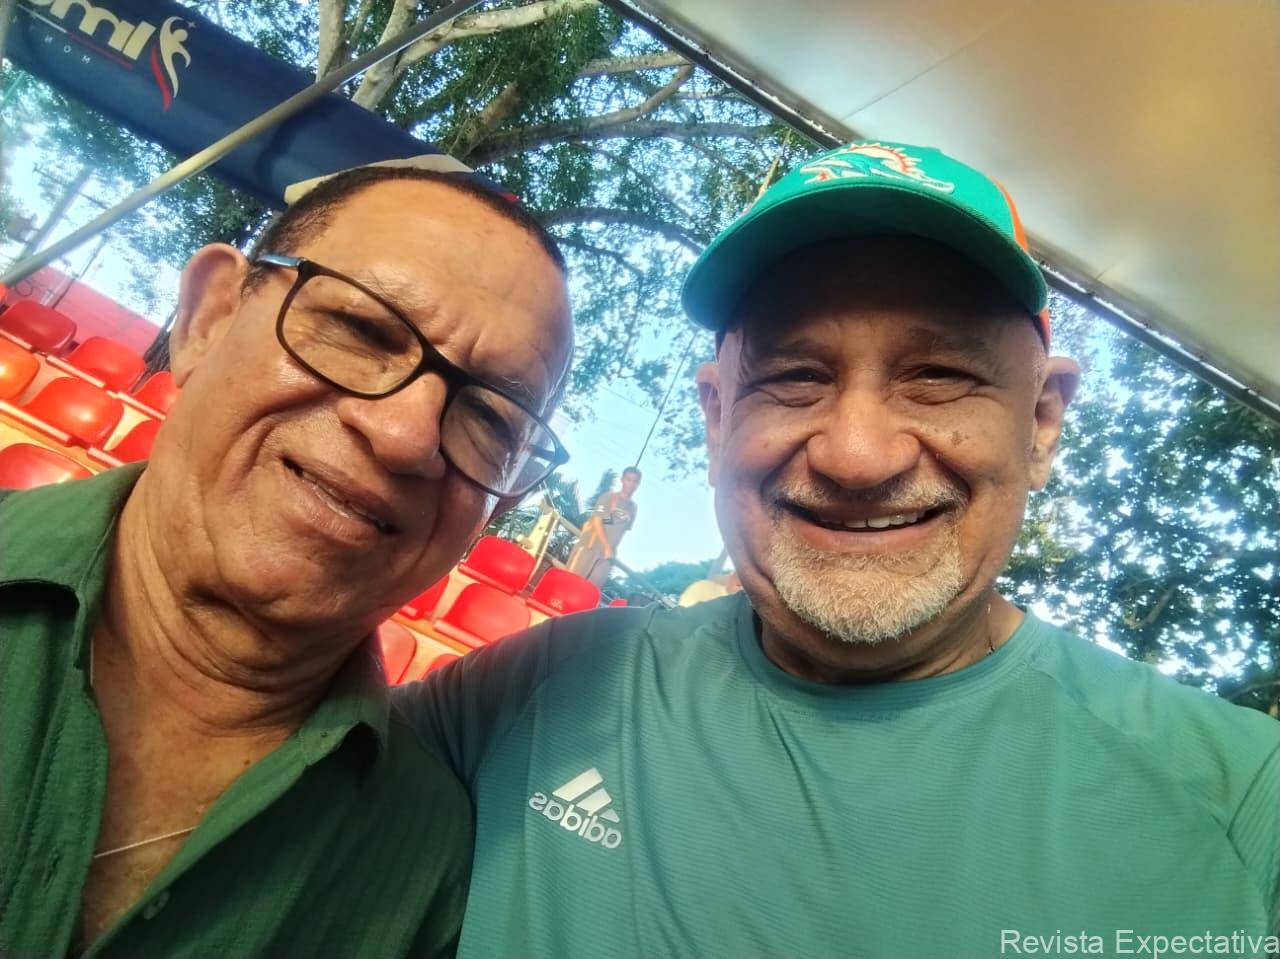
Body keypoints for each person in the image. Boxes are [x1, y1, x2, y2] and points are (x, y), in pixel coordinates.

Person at [397, 141, 1279, 958]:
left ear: (1042, 422)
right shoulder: (539, 688)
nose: (858, 456)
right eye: (794, 377)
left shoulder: (1244, 807)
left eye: (939, 376)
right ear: (717, 418)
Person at [0, 164, 573, 957]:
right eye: (361, 328)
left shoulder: (436, 880)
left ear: (496, 508)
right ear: (207, 320)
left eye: (491, 417)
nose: (405, 435)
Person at [566, 466, 640, 586]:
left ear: (638, 484)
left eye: (635, 481)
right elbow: (597, 521)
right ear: (622, 480)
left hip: (607, 556)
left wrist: (611, 550)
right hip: (590, 547)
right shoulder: (609, 497)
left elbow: (621, 530)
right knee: (570, 582)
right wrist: (606, 546)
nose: (631, 484)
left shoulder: (633, 508)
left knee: (591, 589)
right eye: (628, 480)